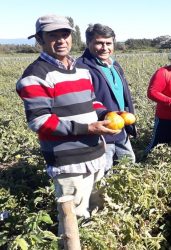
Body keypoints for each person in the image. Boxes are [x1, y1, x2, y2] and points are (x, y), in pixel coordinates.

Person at [16, 15, 119, 236]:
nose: (61, 40)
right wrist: (87, 129)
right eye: (53, 35)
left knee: (98, 212)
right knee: (74, 219)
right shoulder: (35, 75)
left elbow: (93, 101)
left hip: (96, 155)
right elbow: (39, 121)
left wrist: (107, 113)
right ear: (39, 40)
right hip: (69, 162)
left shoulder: (80, 69)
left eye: (65, 34)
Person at [76, 23, 137, 173]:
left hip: (121, 127)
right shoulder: (80, 68)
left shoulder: (114, 65)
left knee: (129, 168)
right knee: (104, 173)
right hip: (101, 131)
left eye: (108, 43)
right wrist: (102, 116)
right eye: (99, 43)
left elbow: (123, 95)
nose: (105, 48)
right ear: (88, 43)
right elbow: (83, 101)